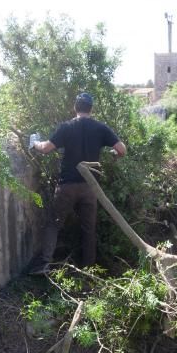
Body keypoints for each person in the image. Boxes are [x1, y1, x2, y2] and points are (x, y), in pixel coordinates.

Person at [28, 92, 127, 273]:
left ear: (75, 107)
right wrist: (112, 155)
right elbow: (121, 150)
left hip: (67, 186)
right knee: (88, 229)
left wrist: (34, 142)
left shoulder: (66, 127)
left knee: (54, 224)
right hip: (90, 187)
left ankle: (43, 264)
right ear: (91, 109)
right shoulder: (100, 128)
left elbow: (45, 148)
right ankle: (89, 270)